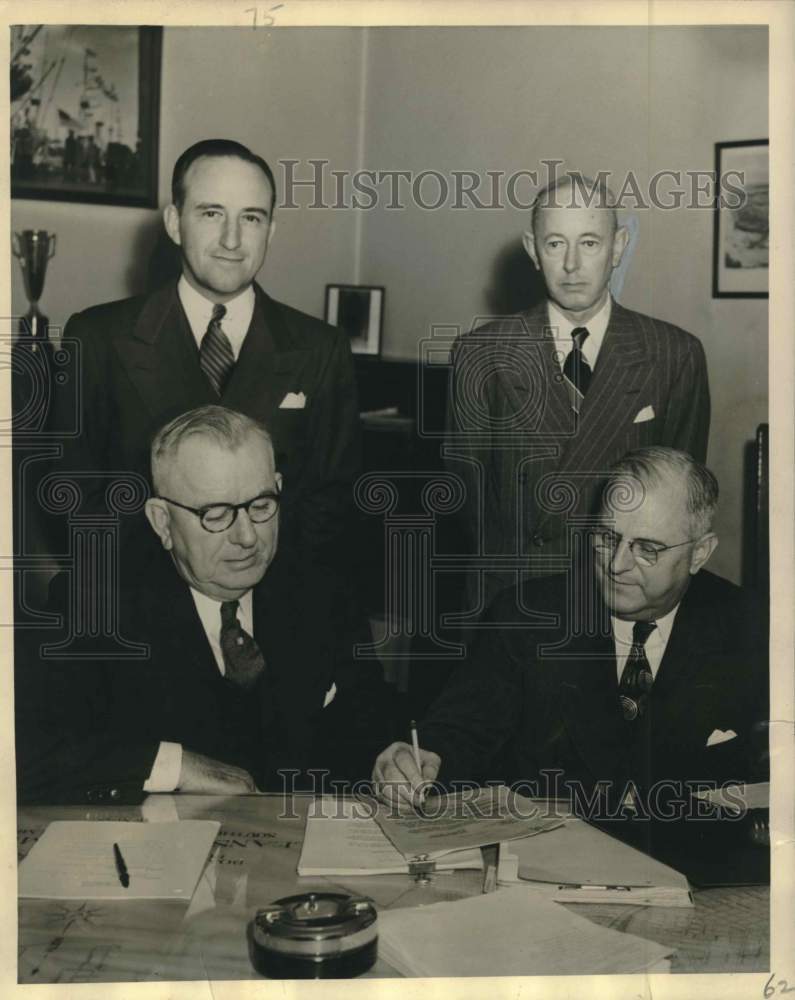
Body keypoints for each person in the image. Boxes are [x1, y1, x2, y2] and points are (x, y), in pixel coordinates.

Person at [16, 406, 389, 804]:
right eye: (216, 514)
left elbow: (365, 712)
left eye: (261, 505)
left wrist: (390, 754)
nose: (247, 537)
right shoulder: (93, 607)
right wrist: (176, 766)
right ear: (162, 522)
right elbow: (25, 751)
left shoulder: (321, 590)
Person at [373, 447, 768, 821]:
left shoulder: (752, 627)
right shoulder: (525, 617)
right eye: (607, 538)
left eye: (647, 548)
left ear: (700, 553)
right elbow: (459, 736)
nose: (617, 565)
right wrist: (416, 763)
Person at [50, 138, 360, 566]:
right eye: (211, 213)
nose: (232, 239)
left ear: (270, 231)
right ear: (175, 223)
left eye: (250, 218)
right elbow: (70, 498)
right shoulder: (98, 337)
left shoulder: (320, 348)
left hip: (274, 608)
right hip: (140, 604)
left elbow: (332, 507)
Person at [445, 173, 711, 612]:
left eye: (589, 243)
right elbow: (467, 496)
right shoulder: (482, 353)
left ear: (619, 247)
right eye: (555, 244)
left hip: (622, 596)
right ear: (533, 250)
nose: (572, 265)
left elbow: (681, 505)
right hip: (510, 598)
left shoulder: (674, 355)